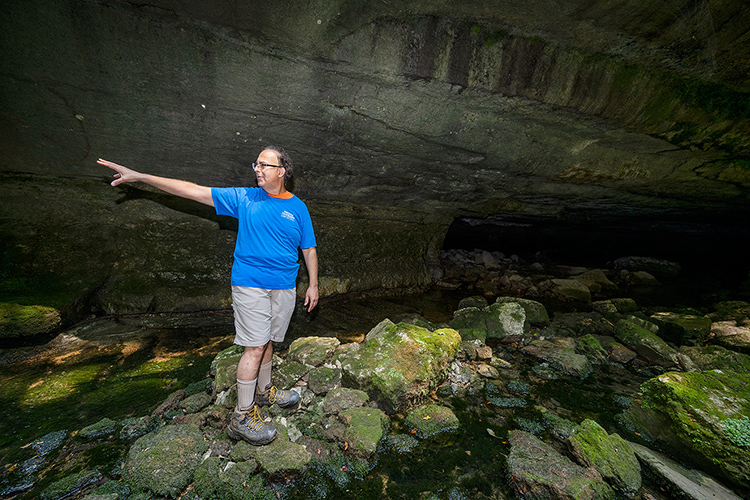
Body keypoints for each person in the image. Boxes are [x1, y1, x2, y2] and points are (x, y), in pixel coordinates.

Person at [98, 146, 318, 446]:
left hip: (285, 287)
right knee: (255, 347)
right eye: (256, 163)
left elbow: (308, 248)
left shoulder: (298, 208)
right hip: (250, 284)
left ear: (282, 171)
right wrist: (141, 177)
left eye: (265, 164)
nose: (257, 168)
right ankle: (242, 417)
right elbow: (192, 190)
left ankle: (265, 392)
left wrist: (314, 284)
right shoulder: (244, 198)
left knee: (269, 341)